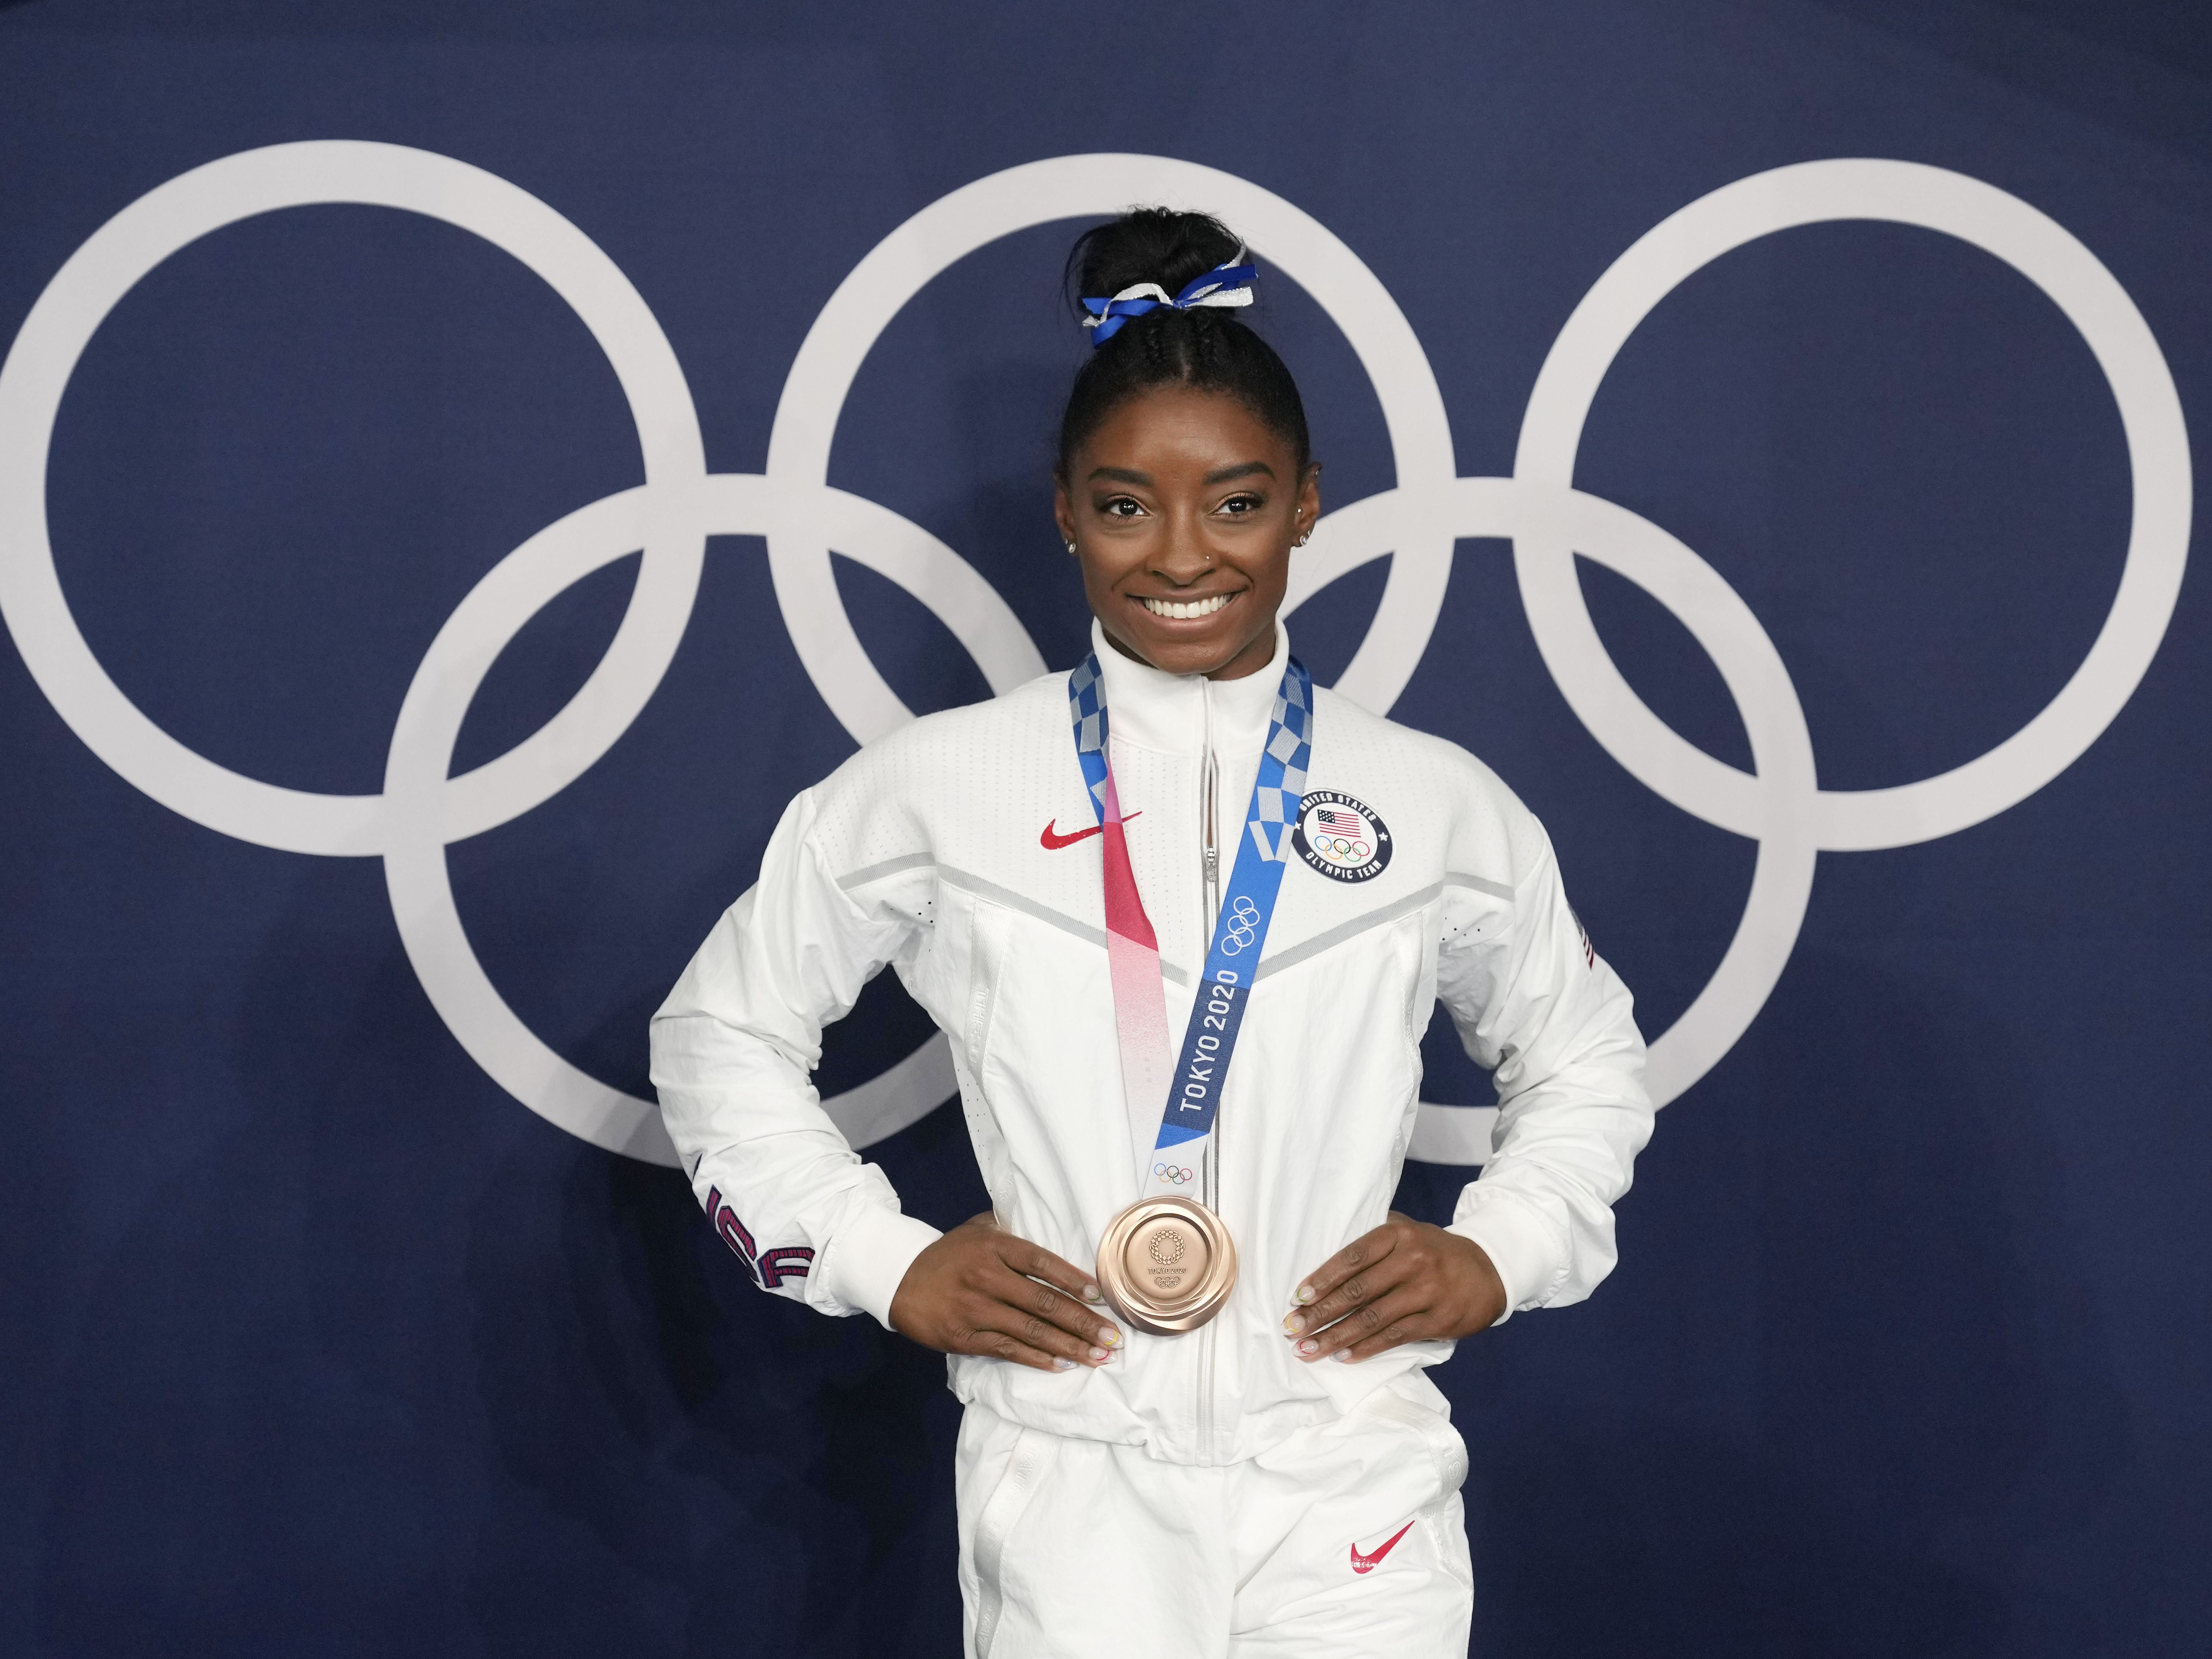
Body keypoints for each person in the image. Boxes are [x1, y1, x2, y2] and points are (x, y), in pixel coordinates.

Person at [650, 207, 1652, 1659]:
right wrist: (876, 1255)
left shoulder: (1430, 804)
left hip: (1348, 1465)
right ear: (1064, 510)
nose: (1181, 552)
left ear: (1307, 503)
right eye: (1126, 505)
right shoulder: (937, 787)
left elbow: (1584, 1058)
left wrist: (1502, 1245)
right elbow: (718, 1032)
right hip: (1072, 1475)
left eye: (1235, 502)